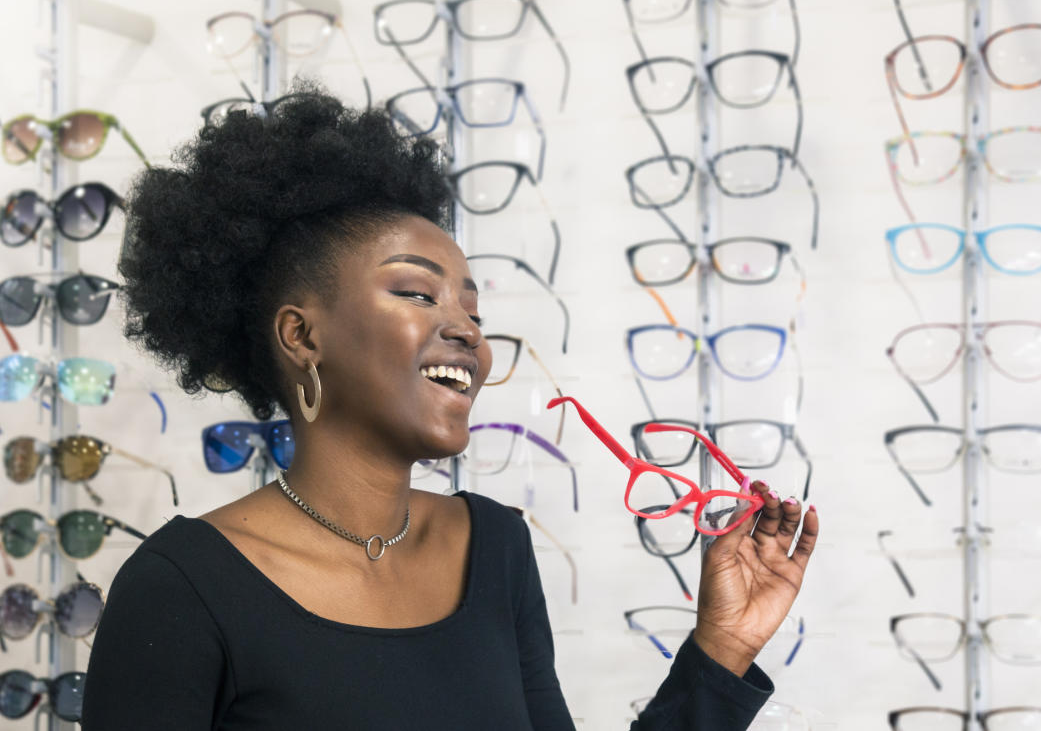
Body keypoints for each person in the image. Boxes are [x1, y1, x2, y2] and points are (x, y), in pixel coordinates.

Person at [80, 85, 819, 730]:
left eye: (473, 308)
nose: (466, 328)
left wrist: (721, 649)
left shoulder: (494, 550)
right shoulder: (180, 588)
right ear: (301, 335)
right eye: (415, 292)